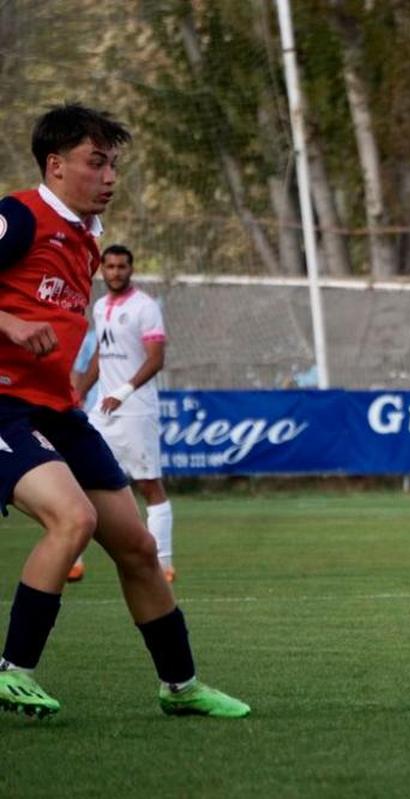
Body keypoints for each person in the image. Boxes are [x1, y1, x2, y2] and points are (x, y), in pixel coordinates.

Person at [0, 103, 249, 719]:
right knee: (72, 519)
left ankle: (181, 686)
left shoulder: (87, 239)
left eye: (113, 163)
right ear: (55, 166)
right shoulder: (16, 217)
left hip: (57, 410)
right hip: (3, 406)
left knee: (137, 547)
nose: (109, 176)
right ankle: (12, 670)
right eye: (95, 162)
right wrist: (10, 321)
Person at [75, 245, 176, 583]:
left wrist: (124, 391)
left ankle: (163, 562)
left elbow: (155, 359)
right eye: (110, 267)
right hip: (102, 410)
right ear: (101, 270)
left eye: (121, 267)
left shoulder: (145, 308)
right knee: (74, 478)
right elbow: (101, 355)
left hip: (135, 410)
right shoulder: (101, 306)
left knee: (148, 484)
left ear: (131, 269)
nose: (115, 272)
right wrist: (80, 391)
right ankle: (73, 559)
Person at [65, 329, 99, 582]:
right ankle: (73, 561)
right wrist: (74, 400)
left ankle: (162, 561)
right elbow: (76, 371)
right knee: (72, 483)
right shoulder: (86, 336)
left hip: (120, 412)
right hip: (90, 414)